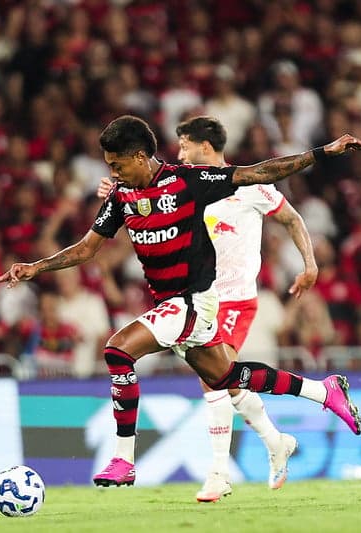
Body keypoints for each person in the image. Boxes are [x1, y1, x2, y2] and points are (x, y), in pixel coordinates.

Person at [0, 115, 361, 490]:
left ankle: (125, 459)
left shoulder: (188, 181)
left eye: (117, 164)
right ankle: (323, 391)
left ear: (140, 157)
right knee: (226, 377)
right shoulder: (122, 197)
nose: (113, 172)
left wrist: (323, 151)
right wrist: (36, 267)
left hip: (194, 301)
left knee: (117, 351)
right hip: (172, 304)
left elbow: (259, 173)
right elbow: (88, 248)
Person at [96, 116, 318, 501]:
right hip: (194, 294)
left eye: (185, 146)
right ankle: (279, 435)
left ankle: (218, 473)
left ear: (206, 146)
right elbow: (151, 189)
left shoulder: (248, 187)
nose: (179, 153)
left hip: (232, 296)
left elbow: (291, 217)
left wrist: (310, 264)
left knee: (214, 380)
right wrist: (121, 187)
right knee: (225, 379)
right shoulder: (187, 185)